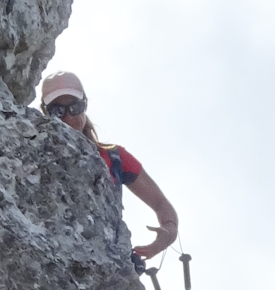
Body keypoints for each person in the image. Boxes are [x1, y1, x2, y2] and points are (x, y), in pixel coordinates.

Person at [39, 71, 179, 266]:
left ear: (84, 105)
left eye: (75, 107)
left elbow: (161, 203)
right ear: (44, 112)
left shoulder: (114, 157)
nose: (68, 117)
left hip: (103, 261)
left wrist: (168, 232)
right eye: (58, 111)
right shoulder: (34, 150)